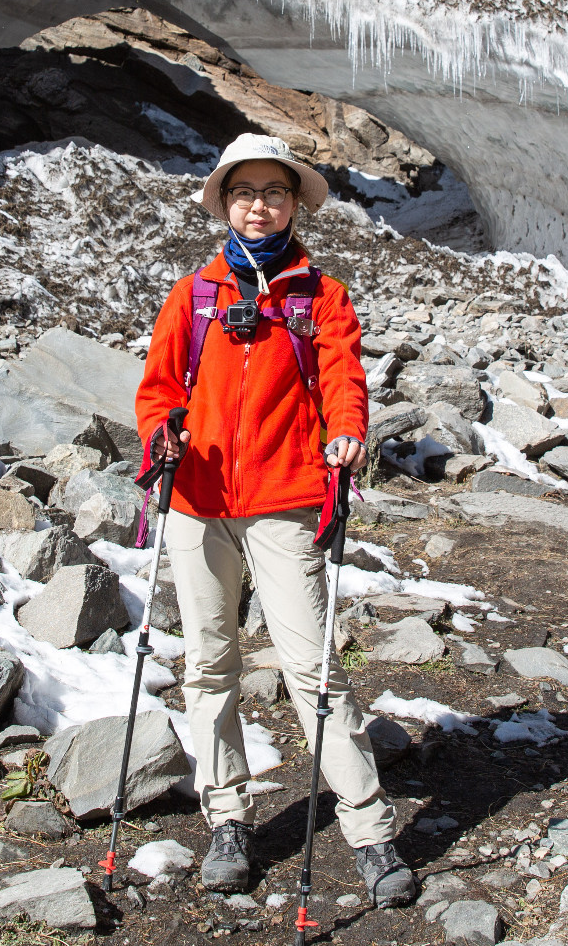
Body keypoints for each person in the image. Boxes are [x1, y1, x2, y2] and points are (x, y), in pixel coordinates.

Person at [134, 133, 417, 907]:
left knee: (312, 667)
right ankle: (226, 817)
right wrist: (161, 435)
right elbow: (158, 390)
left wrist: (347, 429)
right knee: (209, 664)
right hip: (198, 498)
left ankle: (368, 829)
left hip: (287, 498)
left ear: (295, 204)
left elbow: (343, 378)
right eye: (245, 191)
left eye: (274, 192)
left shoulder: (321, 296)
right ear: (225, 202)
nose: (259, 204)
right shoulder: (193, 294)